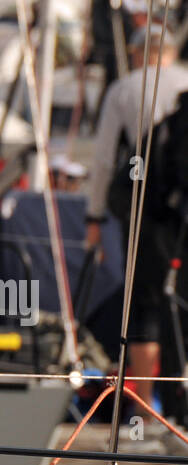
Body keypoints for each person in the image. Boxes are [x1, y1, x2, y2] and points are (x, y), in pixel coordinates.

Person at [85, 23, 188, 408]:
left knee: (143, 310)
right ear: (173, 51)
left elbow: (102, 160)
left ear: (136, 53)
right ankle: (181, 412)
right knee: (181, 308)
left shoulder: (126, 89)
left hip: (147, 216)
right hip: (184, 216)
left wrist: (94, 218)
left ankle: (145, 413)